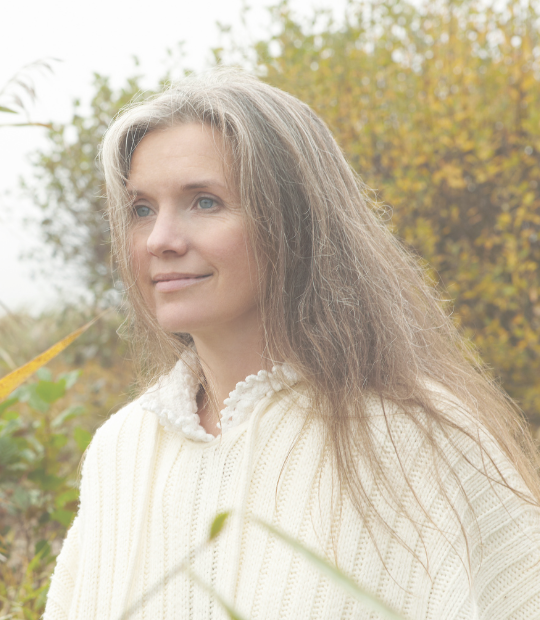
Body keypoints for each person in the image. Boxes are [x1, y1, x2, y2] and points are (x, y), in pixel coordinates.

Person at [42, 67, 540, 620]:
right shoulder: (123, 448)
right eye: (141, 210)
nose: (160, 240)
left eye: (204, 202)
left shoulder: (416, 437)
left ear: (292, 221)